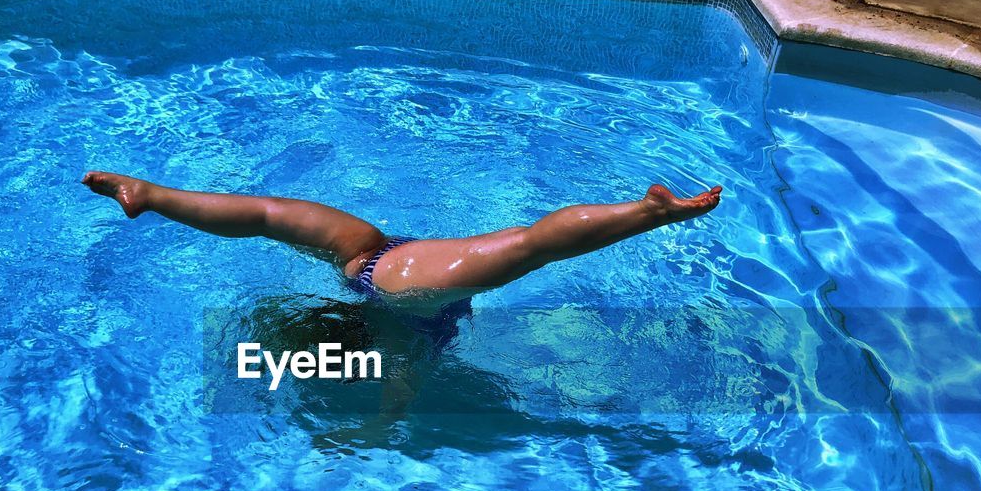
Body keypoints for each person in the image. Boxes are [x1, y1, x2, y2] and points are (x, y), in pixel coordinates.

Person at [81, 171, 722, 319]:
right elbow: (401, 377)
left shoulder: (396, 325)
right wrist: (379, 424)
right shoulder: (404, 330)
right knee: (530, 246)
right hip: (386, 259)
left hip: (388, 262)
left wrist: (377, 425)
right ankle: (646, 213)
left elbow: (397, 381)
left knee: (267, 213)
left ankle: (151, 193)